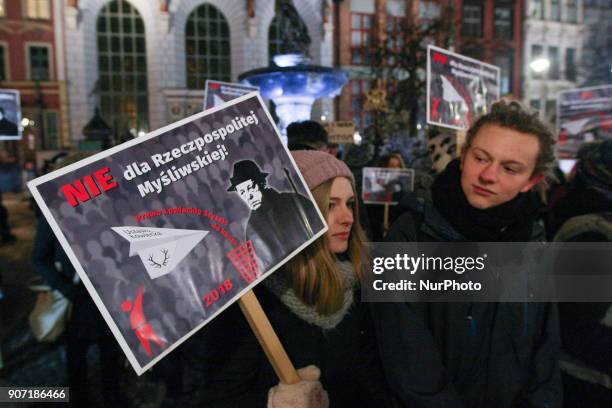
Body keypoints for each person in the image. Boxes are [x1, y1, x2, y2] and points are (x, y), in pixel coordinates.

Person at [370, 101, 562, 407]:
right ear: (464, 156)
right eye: (481, 158)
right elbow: (407, 356)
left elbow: (545, 359)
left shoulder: (534, 245)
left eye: (510, 168)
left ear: (532, 181)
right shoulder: (411, 234)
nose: (488, 175)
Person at [203, 150, 391, 407]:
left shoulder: (359, 284)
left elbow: (371, 380)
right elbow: (216, 397)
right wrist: (272, 402)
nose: (347, 218)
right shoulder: (254, 302)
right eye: (330, 205)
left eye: (350, 204)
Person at [32, 153, 126, 407]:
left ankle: (113, 396)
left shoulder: (110, 209)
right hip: (78, 299)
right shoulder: (53, 215)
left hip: (109, 296)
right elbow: (40, 258)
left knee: (111, 354)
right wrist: (68, 289)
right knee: (76, 358)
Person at [227, 159, 322, 274]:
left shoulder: (294, 202)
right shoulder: (252, 228)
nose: (249, 196)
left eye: (250, 188)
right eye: (242, 192)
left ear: (261, 183)